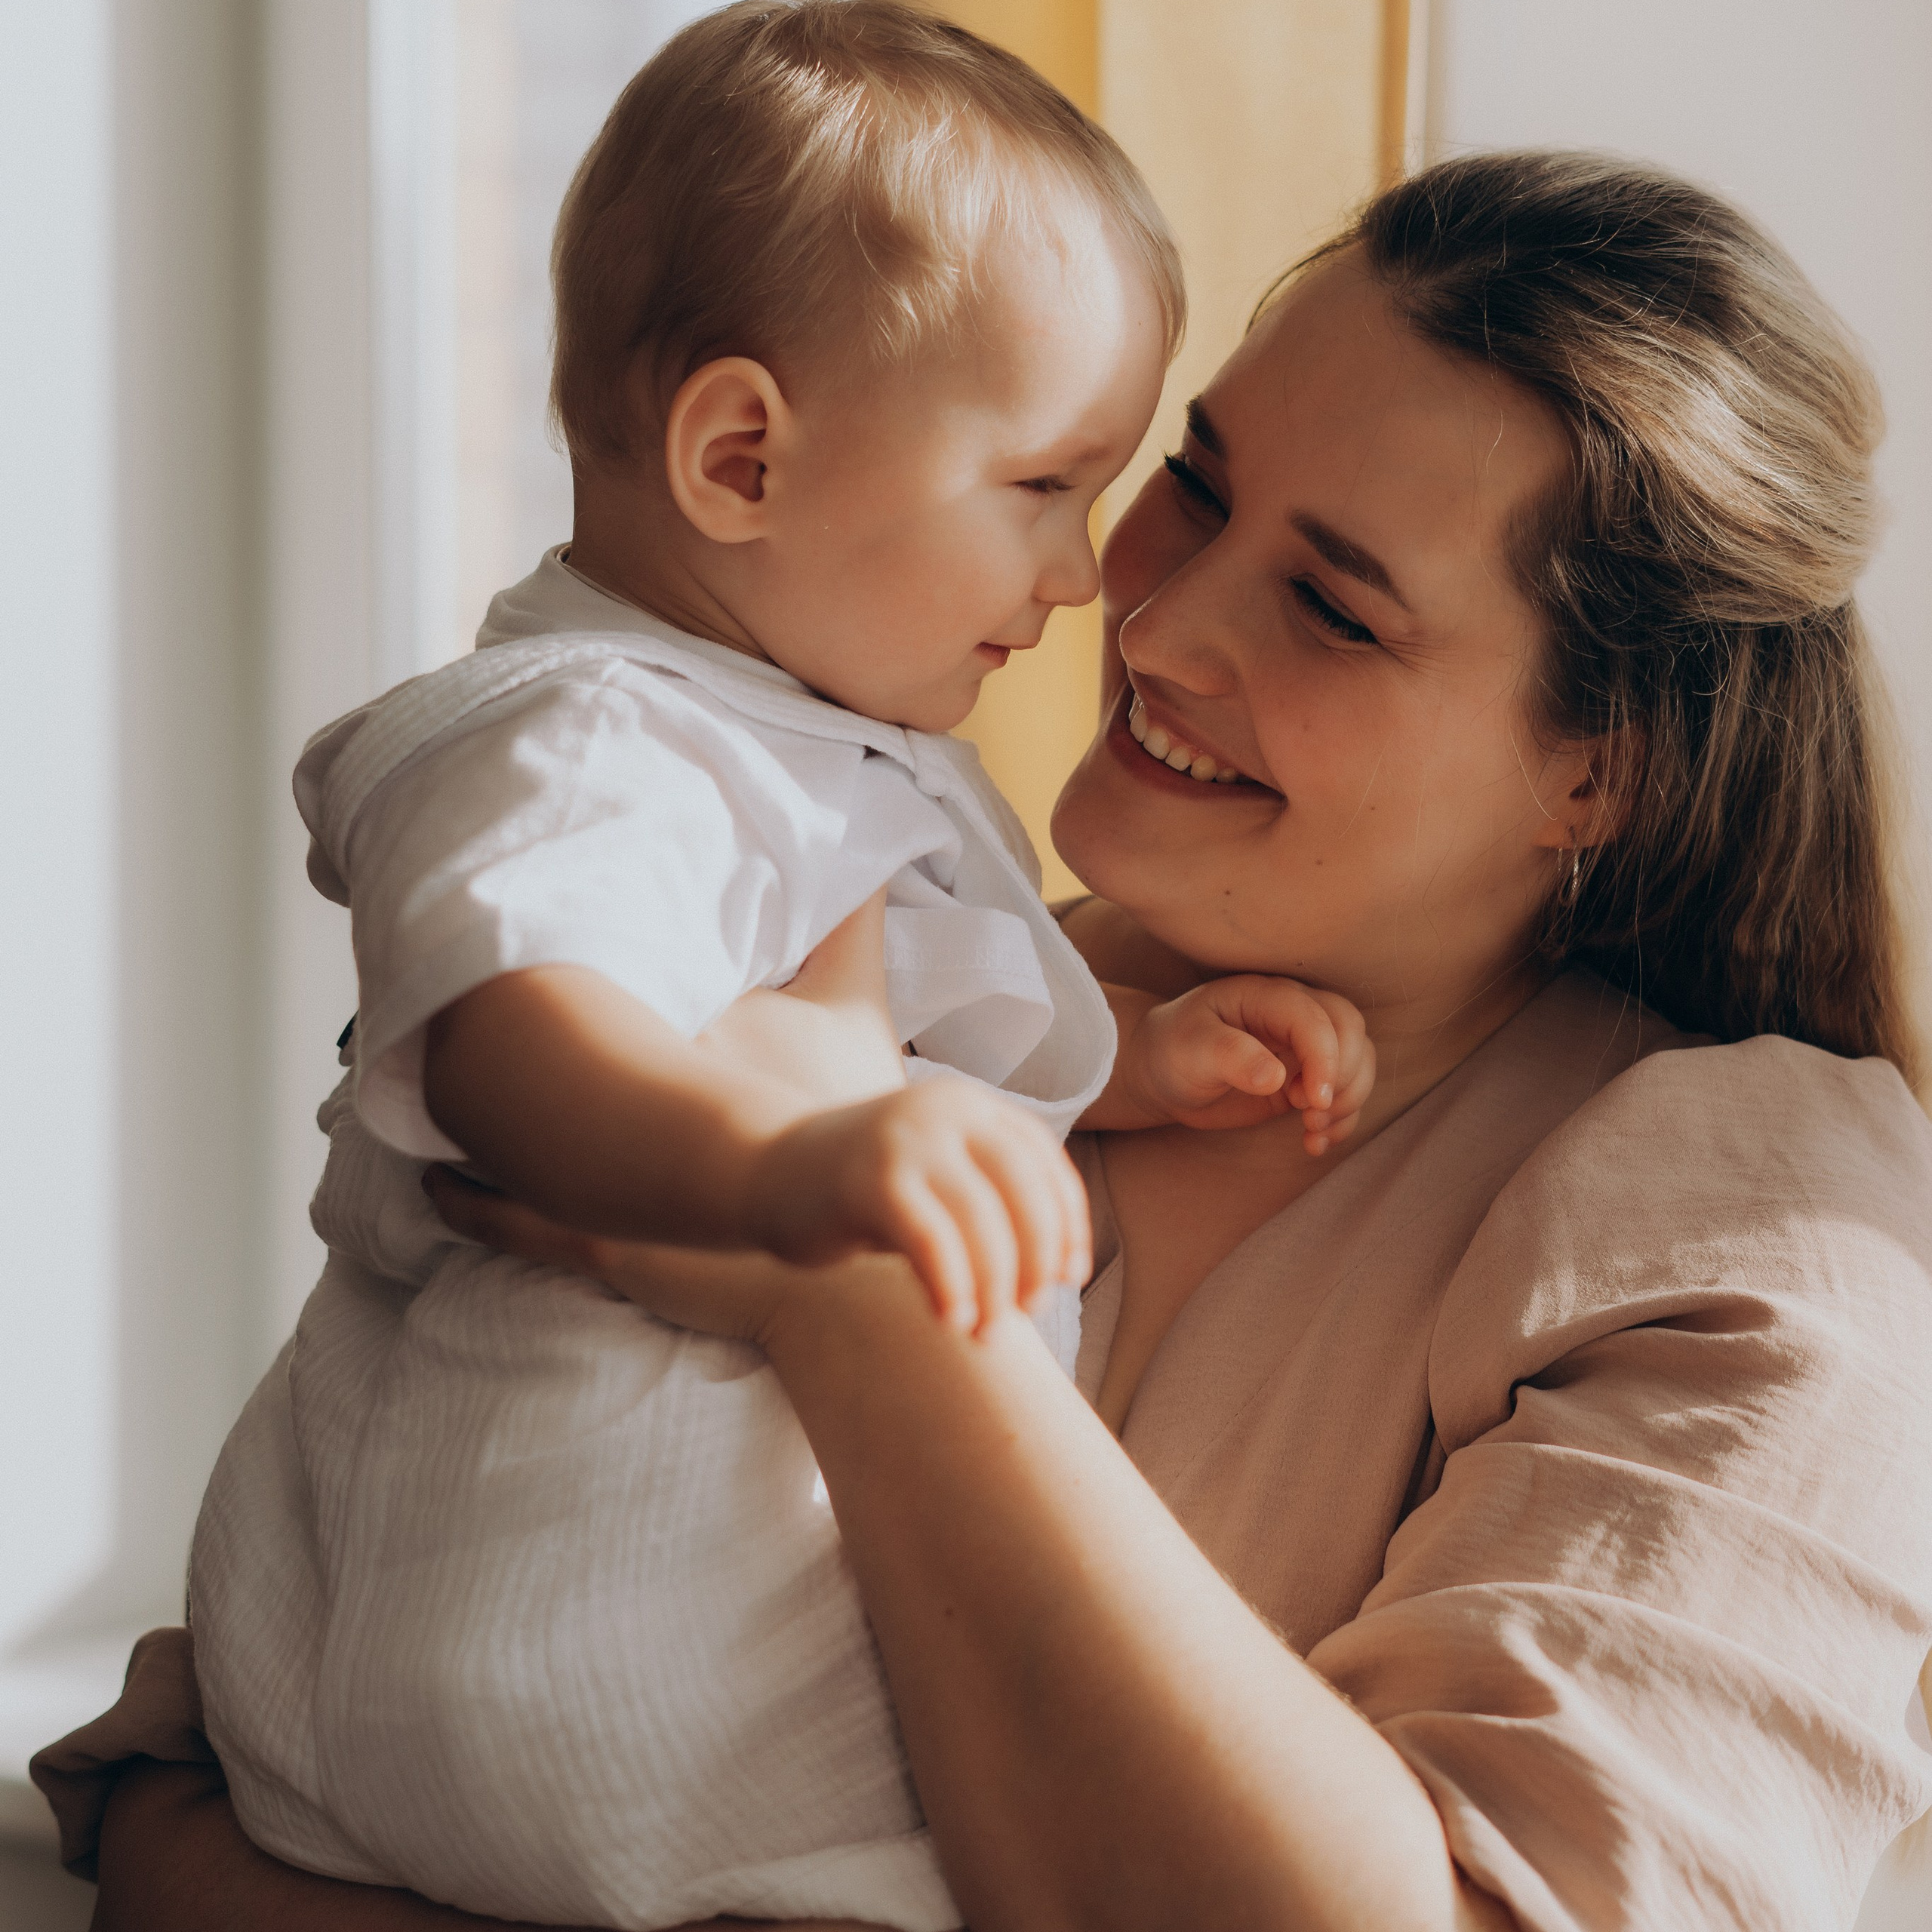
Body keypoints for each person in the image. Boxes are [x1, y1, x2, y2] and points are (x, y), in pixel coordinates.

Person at [40, 149, 1932, 1932]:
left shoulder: (1766, 1220)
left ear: (1596, 770)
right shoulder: (919, 968)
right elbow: (235, 1743)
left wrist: (859, 1292)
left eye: (1333, 609)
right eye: (1191, 477)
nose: (1149, 606)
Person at [182, 8, 1380, 1931]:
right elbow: (512, 1033)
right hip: (569, 1598)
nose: (1082, 578)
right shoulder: (591, 731)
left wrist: (1129, 1065)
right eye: (1037, 490)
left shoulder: (795, 726)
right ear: (740, 458)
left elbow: (894, 1024)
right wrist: (773, 1167)